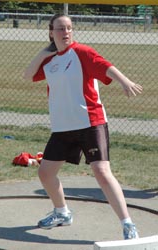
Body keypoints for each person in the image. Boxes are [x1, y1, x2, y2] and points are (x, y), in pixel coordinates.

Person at [24, 13, 143, 240]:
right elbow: (28, 75)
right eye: (60, 28)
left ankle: (127, 224)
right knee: (45, 173)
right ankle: (62, 212)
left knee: (101, 171)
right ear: (51, 32)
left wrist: (124, 81)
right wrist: (44, 52)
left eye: (69, 28)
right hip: (62, 128)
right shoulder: (49, 62)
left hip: (91, 123)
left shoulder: (82, 52)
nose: (66, 32)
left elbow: (105, 66)